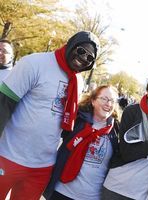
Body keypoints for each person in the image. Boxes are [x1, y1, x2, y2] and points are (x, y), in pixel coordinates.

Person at [0, 31, 100, 200]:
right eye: (81, 51)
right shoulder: (35, 63)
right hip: (8, 156)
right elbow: (3, 105)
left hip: (42, 166)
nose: (84, 58)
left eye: (90, 58)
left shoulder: (78, 81)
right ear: (71, 45)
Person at [102, 72, 148, 200]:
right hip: (116, 186)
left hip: (141, 193)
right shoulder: (132, 111)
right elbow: (127, 152)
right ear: (147, 90)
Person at [43, 85, 119, 200]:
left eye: (112, 100)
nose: (108, 103)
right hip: (61, 192)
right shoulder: (77, 121)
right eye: (104, 99)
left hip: (92, 197)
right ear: (93, 101)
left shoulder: (116, 131)